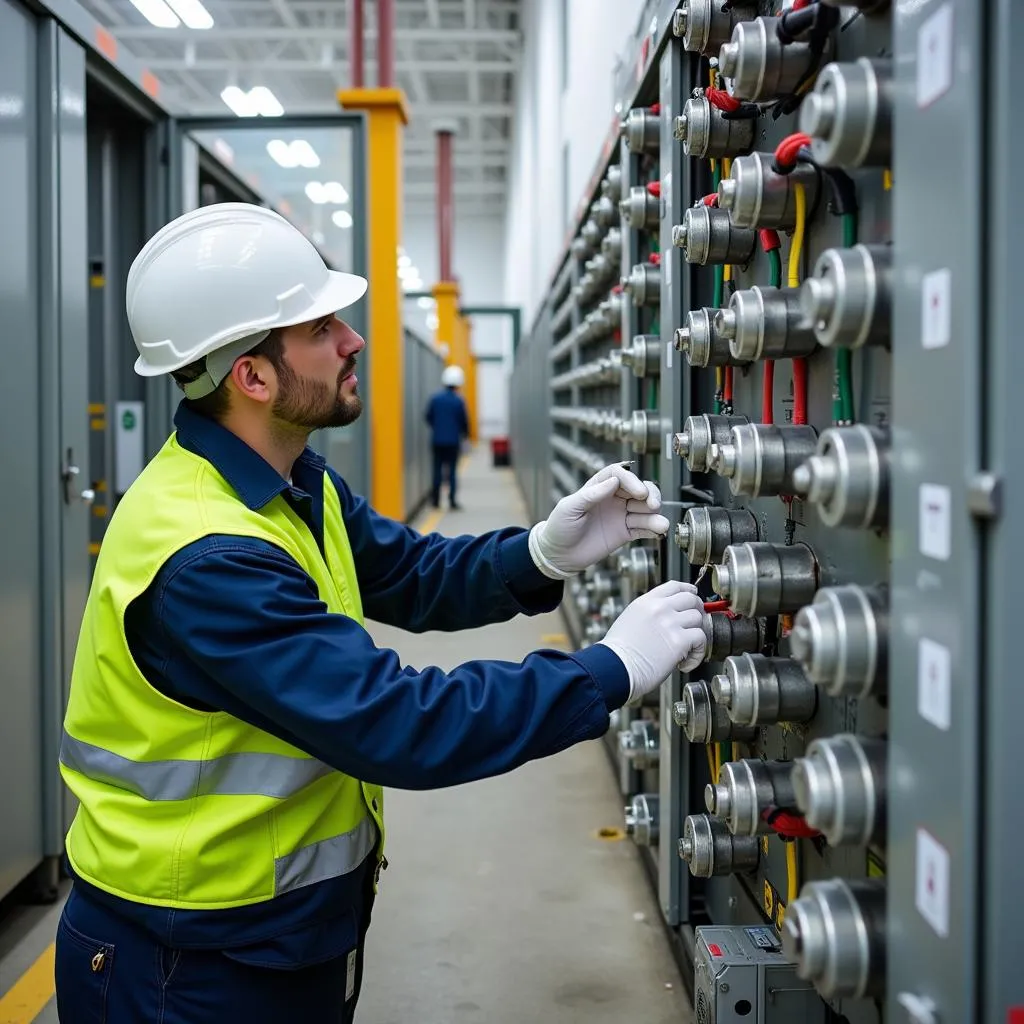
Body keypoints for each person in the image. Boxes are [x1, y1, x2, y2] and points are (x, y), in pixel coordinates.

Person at [54, 202, 708, 1024]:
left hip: (273, 933)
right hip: (187, 964)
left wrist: (542, 552)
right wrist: (606, 671)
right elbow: (396, 721)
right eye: (322, 327)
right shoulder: (210, 558)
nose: (354, 339)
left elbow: (409, 570)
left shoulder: (292, 484)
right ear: (252, 377)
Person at [425, 364, 469, 510]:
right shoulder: (458, 401)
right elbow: (464, 422)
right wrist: (465, 436)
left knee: (436, 470)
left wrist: (437, 428)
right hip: (453, 442)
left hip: (437, 440)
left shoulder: (435, 399)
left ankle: (436, 501)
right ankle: (452, 501)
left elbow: (428, 417)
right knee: (451, 471)